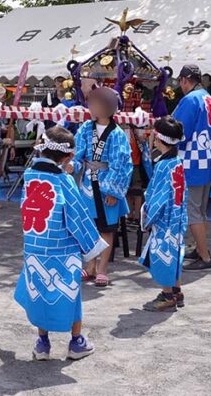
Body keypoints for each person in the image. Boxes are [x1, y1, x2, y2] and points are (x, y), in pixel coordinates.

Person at [14, 126, 106, 361]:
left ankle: (42, 343)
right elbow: (77, 217)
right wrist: (92, 249)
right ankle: (76, 342)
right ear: (69, 157)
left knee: (39, 293)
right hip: (62, 248)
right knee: (71, 293)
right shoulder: (64, 181)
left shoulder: (30, 176)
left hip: (35, 246)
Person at [71, 86, 132, 287]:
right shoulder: (85, 129)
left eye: (94, 103)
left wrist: (114, 191)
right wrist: (72, 165)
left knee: (106, 228)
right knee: (88, 227)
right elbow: (78, 154)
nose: (90, 107)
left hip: (106, 185)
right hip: (88, 184)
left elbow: (122, 164)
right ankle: (89, 266)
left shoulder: (117, 134)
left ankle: (103, 269)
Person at [171, 64, 211, 272]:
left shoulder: (191, 100)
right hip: (209, 160)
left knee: (191, 211)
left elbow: (179, 132)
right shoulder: (210, 99)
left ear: (184, 80)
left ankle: (205, 256)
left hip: (192, 161)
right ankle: (201, 248)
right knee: (200, 210)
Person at [140, 116, 188, 312]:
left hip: (165, 218)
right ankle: (177, 291)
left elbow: (156, 196)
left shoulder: (162, 165)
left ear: (159, 139)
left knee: (163, 256)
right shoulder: (177, 162)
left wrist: (147, 215)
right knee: (174, 254)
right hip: (177, 217)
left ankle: (168, 294)